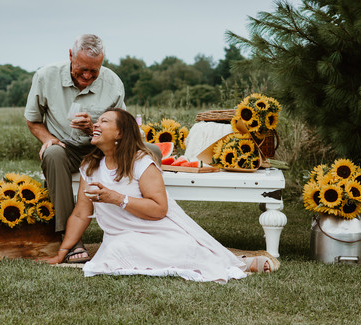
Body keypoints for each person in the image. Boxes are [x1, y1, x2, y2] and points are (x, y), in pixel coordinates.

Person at [40, 108, 278, 283]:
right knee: (114, 251)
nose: (95, 125)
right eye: (97, 121)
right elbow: (81, 214)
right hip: (122, 236)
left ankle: (238, 262)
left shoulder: (141, 163)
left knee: (183, 248)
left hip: (158, 229)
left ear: (120, 133)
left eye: (104, 121)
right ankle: (221, 258)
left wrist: (116, 198)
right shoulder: (90, 167)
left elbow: (159, 209)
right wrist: (62, 253)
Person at [25, 34, 161, 263]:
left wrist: (92, 129)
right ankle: (69, 238)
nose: (87, 76)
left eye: (94, 70)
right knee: (53, 153)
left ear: (102, 62)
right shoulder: (45, 76)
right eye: (82, 69)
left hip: (101, 150)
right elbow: (33, 120)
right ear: (70, 56)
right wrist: (48, 139)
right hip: (64, 148)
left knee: (152, 151)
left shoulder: (113, 83)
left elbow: (123, 129)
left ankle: (145, 223)